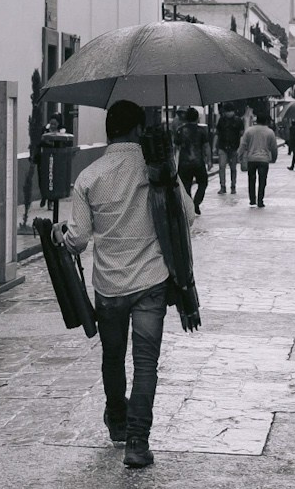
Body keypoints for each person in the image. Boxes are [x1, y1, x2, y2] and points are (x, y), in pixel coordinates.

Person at [60, 101, 195, 469]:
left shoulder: (89, 177)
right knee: (146, 362)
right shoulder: (158, 169)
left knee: (113, 356)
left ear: (109, 130)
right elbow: (188, 215)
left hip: (110, 286)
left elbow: (80, 240)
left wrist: (63, 235)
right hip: (152, 281)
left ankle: (117, 420)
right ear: (137, 130)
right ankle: (138, 441)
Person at [239, 108, 279, 207]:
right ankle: (260, 200)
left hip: (251, 159)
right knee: (262, 181)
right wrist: (274, 158)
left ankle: (252, 199)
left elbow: (243, 145)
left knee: (251, 180)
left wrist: (240, 156)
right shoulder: (270, 132)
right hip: (264, 160)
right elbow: (274, 147)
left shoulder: (249, 131)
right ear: (266, 121)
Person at [176, 107, 212, 212]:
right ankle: (196, 202)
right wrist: (209, 160)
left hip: (184, 162)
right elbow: (206, 146)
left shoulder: (180, 130)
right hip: (198, 162)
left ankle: (189, 205)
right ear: (197, 118)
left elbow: (176, 147)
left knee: (186, 186)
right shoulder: (201, 131)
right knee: (203, 183)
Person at [214, 103, 245, 195]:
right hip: (222, 146)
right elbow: (217, 133)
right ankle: (223, 186)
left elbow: (242, 134)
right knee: (222, 166)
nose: (228, 113)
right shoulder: (221, 120)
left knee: (233, 168)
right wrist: (214, 147)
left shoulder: (238, 121)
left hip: (234, 147)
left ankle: (233, 186)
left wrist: (241, 148)